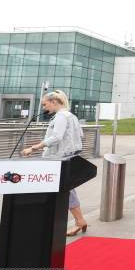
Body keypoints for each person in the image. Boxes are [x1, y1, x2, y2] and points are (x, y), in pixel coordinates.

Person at [22, 90, 88, 236]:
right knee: (65, 190)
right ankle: (78, 221)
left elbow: (57, 137)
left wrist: (34, 147)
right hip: (66, 157)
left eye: (45, 104)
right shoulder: (70, 116)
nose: (44, 108)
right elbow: (79, 136)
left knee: (64, 190)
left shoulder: (61, 117)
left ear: (54, 102)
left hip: (60, 158)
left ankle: (77, 221)